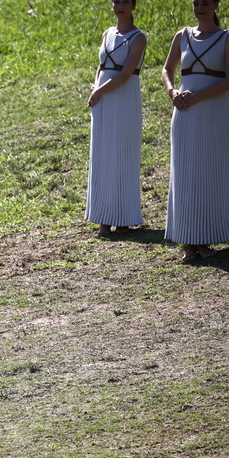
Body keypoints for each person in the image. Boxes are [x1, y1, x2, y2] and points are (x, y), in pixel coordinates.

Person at [162, 0, 229, 262]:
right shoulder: (183, 36)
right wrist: (172, 93)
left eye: (205, 2)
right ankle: (189, 242)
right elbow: (167, 69)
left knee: (211, 172)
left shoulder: (225, 38)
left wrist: (198, 96)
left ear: (215, 5)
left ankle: (206, 237)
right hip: (185, 113)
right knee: (186, 173)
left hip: (214, 114)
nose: (200, 7)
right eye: (196, 2)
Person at [85, 0, 147, 238]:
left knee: (122, 154)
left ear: (133, 6)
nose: (120, 5)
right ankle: (103, 218)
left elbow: (126, 73)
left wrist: (100, 90)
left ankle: (123, 217)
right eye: (116, 1)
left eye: (125, 1)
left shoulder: (138, 37)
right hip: (102, 98)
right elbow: (102, 65)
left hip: (123, 97)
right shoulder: (108, 33)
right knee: (102, 154)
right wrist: (95, 87)